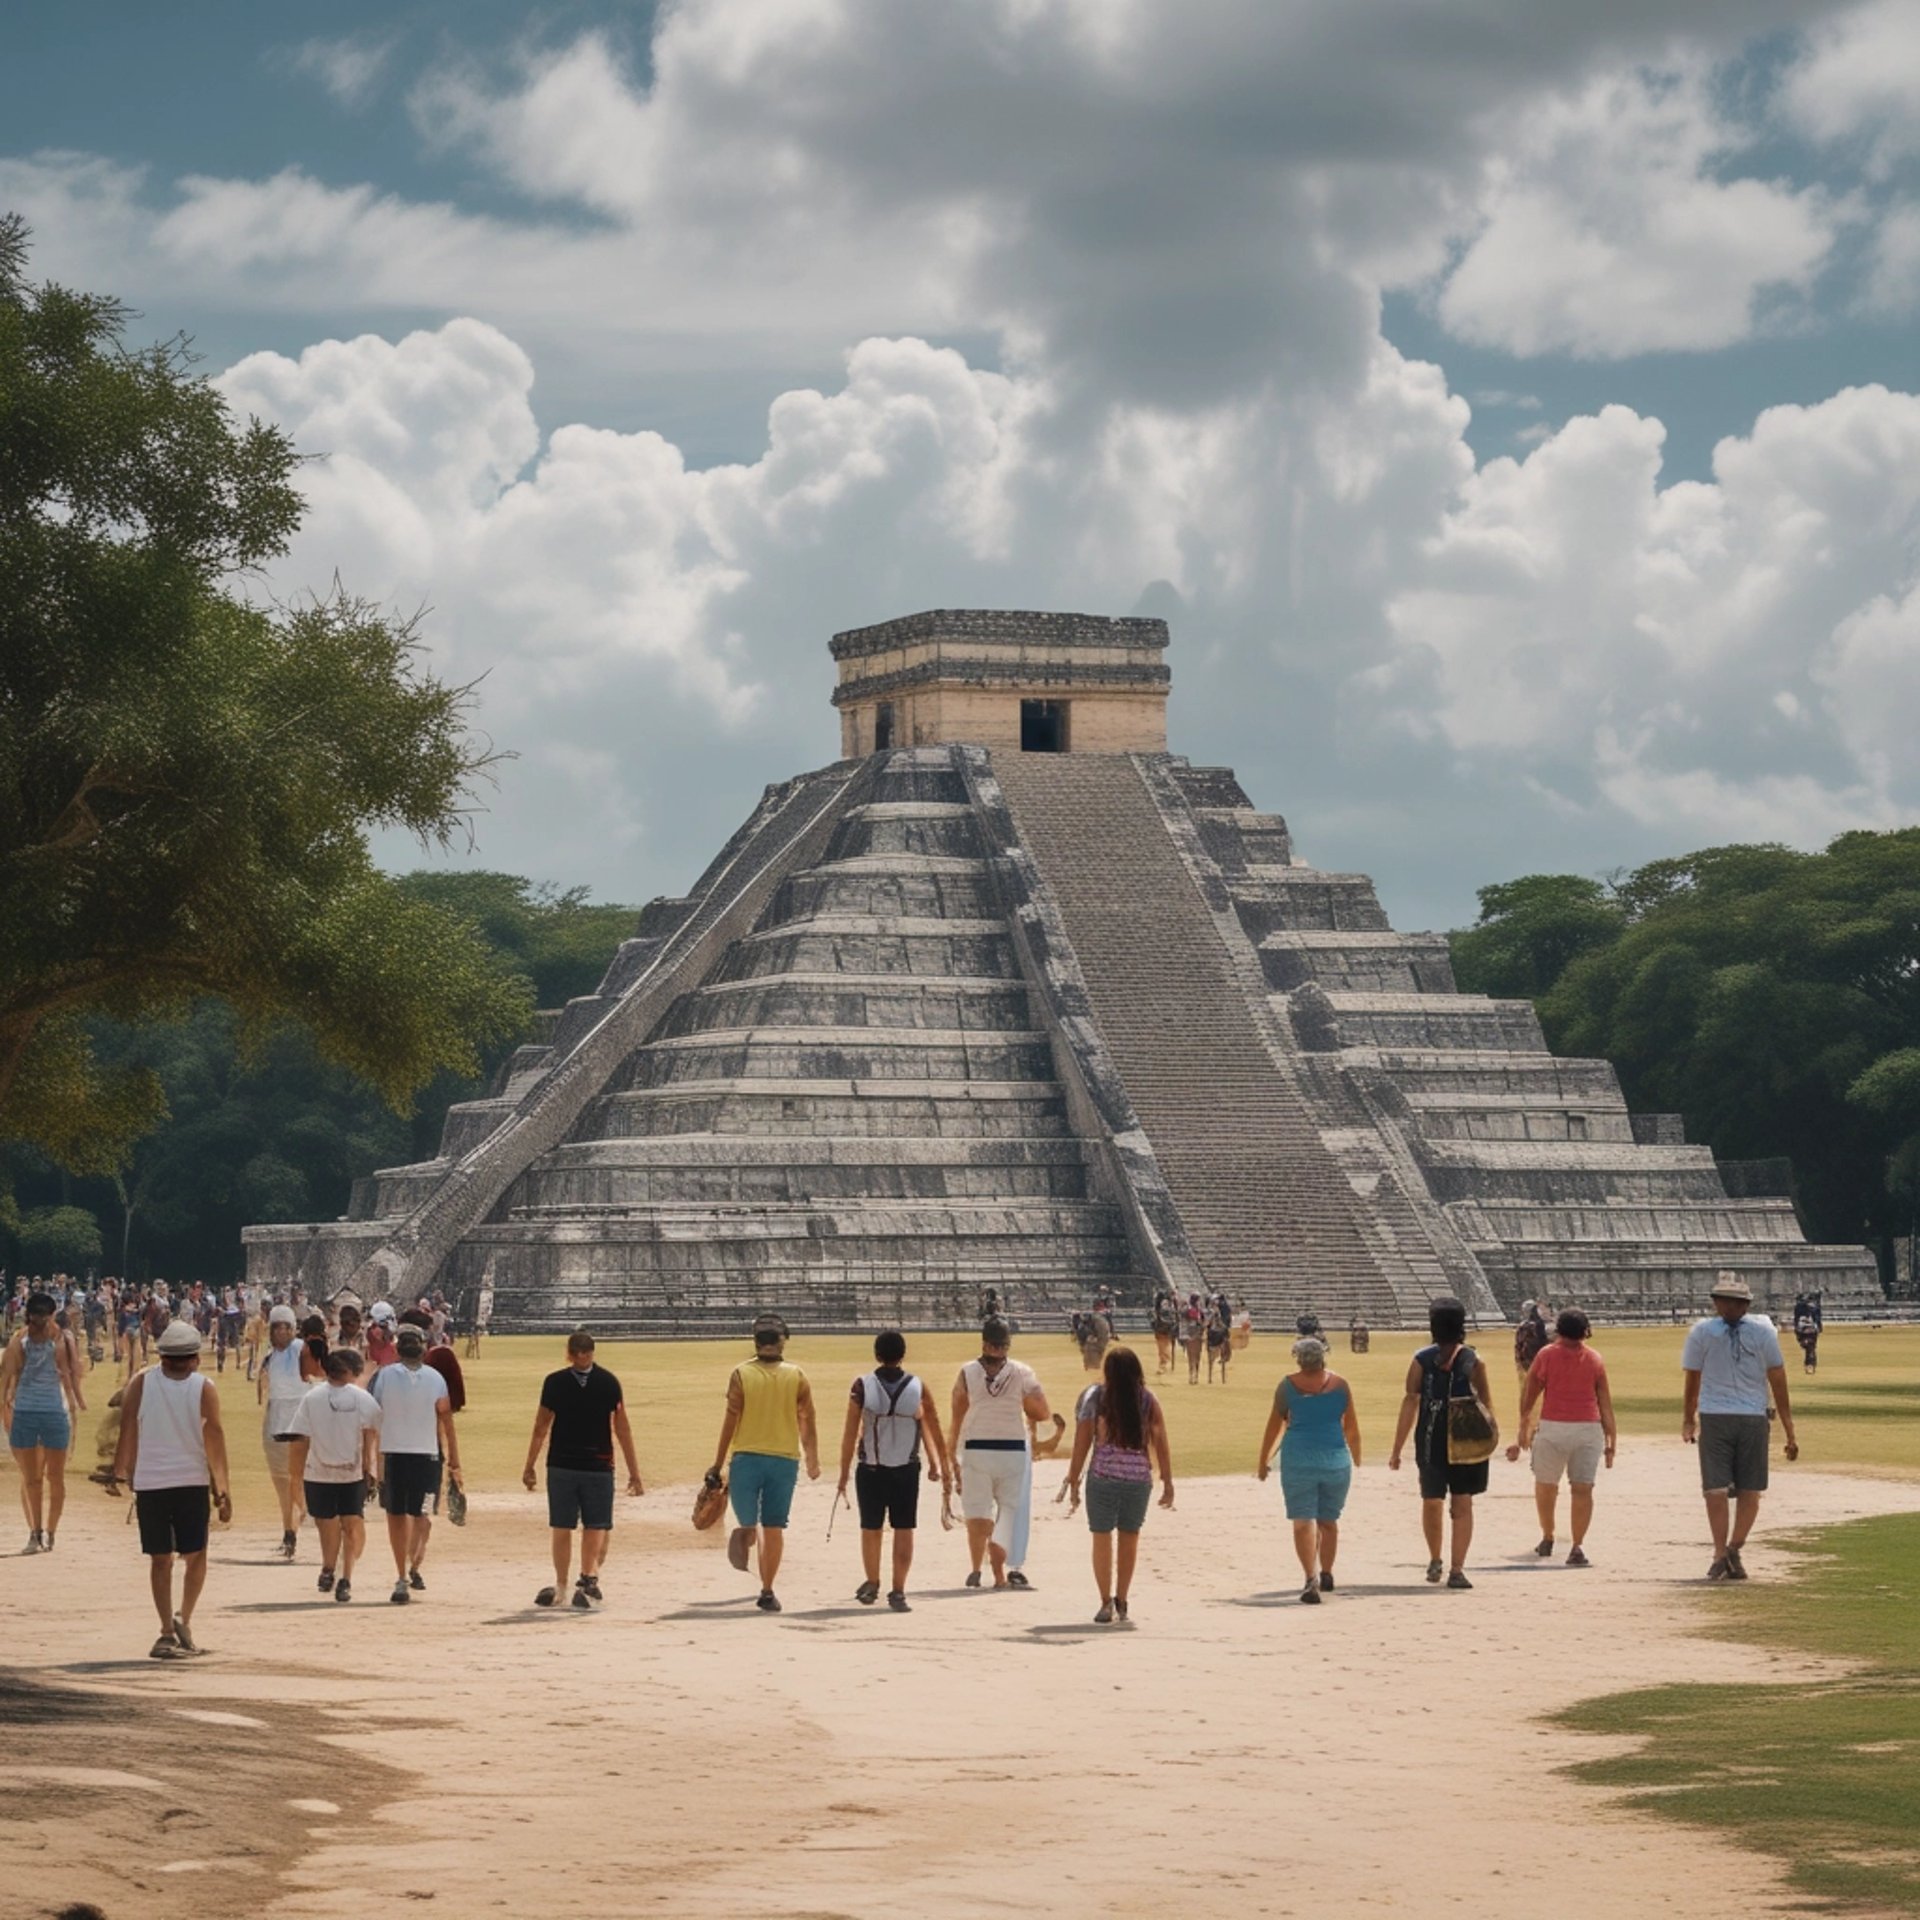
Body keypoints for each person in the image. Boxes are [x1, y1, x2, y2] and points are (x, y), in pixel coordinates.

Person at [107, 1320, 232, 1659]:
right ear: (194, 1357)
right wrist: (223, 1488)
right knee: (196, 1555)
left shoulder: (142, 1382)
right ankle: (183, 1618)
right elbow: (215, 1438)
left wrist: (123, 1472)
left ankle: (166, 1631)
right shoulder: (204, 1387)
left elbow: (128, 1428)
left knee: (160, 1559)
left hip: (152, 1481)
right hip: (190, 1480)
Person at [1682, 1275, 1799, 1581]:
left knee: (1751, 1488)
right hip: (1715, 1414)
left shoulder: (1763, 1333)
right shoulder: (1703, 1332)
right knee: (1715, 1489)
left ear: (1746, 1305)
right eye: (1725, 1300)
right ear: (1716, 1303)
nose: (1731, 1306)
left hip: (1752, 1415)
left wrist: (1789, 1427)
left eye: (1737, 1302)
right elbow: (1692, 1377)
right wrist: (1688, 1417)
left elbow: (1778, 1378)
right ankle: (1720, 1552)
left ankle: (1734, 1546)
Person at [523, 1331, 645, 1610]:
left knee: (563, 1526)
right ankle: (587, 1578)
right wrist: (634, 1472)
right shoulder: (608, 1382)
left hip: (564, 1463)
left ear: (569, 1352)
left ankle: (563, 1584)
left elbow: (541, 1426)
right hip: (597, 1463)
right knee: (595, 1525)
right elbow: (622, 1428)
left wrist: (530, 1464)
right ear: (591, 1352)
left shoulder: (554, 1382)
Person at [706, 1313, 819, 1613]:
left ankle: (748, 1542)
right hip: (784, 1460)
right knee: (773, 1527)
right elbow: (807, 1420)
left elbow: (730, 1420)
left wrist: (717, 1465)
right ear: (783, 1342)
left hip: (746, 1459)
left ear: (755, 1342)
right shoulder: (797, 1375)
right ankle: (767, 1588)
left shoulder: (741, 1374)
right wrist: (812, 1458)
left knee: (751, 1521)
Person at [835, 1329, 948, 1612]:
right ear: (903, 1355)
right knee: (904, 1528)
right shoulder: (917, 1386)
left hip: (871, 1468)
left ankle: (872, 1582)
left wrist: (842, 1472)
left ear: (877, 1355)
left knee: (871, 1527)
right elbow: (930, 1425)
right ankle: (898, 1591)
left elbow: (850, 1432)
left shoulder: (862, 1385)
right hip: (907, 1469)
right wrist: (939, 1464)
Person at [1389, 1295, 1495, 1590]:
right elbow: (1486, 1404)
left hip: (1430, 1435)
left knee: (1432, 1500)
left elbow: (1411, 1401)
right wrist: (1491, 1441)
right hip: (1467, 1438)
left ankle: (1436, 1558)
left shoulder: (1421, 1359)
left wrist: (1397, 1449)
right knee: (1463, 1503)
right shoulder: (1474, 1360)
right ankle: (1457, 1568)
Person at [1064, 1344, 1173, 1622]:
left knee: (1101, 1538)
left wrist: (1073, 1478)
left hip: (1103, 1477)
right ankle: (1122, 1598)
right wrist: (1168, 1482)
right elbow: (1161, 1442)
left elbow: (1082, 1442)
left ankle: (1104, 1602)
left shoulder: (1097, 1398)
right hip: (1138, 1480)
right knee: (1129, 1538)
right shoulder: (1148, 1399)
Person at [948, 1315, 1051, 1591]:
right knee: (1007, 1512)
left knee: (977, 1511)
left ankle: (974, 1568)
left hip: (976, 1446)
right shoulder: (1022, 1372)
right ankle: (999, 1573)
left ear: (984, 1343)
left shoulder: (967, 1372)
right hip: (1012, 1449)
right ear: (1007, 1344)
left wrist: (952, 1454)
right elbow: (1042, 1411)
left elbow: (957, 1415)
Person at [1507, 1308, 1616, 1566]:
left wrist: (1523, 1425)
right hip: (1588, 1429)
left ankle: (1548, 1536)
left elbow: (1530, 1394)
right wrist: (1612, 1441)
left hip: (1554, 1427)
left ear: (1559, 1330)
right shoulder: (1594, 1359)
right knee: (1582, 1488)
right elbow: (1605, 1404)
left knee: (1546, 1486)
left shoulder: (1546, 1355)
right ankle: (1577, 1546)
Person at [1257, 1335, 1361, 1603]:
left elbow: (1273, 1426)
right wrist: (1356, 1457)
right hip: (1336, 1460)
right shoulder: (1340, 1385)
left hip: (1299, 1460)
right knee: (1329, 1521)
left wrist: (1263, 1459)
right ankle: (1327, 1572)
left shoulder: (1287, 1386)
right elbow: (1351, 1427)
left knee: (1303, 1522)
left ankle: (1310, 1578)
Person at [369, 1323, 461, 1604]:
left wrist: (371, 1461)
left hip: (396, 1456)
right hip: (426, 1457)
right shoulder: (435, 1379)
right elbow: (446, 1420)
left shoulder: (383, 1376)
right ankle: (411, 1567)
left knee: (398, 1518)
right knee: (420, 1516)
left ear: (397, 1348)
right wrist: (455, 1461)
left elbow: (373, 1416)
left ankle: (403, 1574)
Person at [286, 1350, 381, 1603]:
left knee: (326, 1525)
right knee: (350, 1526)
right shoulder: (362, 1399)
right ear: (353, 1372)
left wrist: (295, 1475)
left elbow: (299, 1438)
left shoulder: (311, 1397)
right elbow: (373, 1431)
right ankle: (343, 1576)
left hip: (319, 1473)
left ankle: (331, 1570)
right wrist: (371, 1469)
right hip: (350, 1473)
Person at [4, 1290, 86, 1552]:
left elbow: (72, 1374)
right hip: (26, 1411)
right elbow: (8, 1373)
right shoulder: (20, 1339)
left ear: (51, 1316)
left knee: (55, 1477)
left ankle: (50, 1530)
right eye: (34, 1316)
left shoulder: (62, 1339)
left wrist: (75, 1404)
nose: (38, 1322)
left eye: (43, 1317)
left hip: (52, 1411)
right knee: (32, 1478)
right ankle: (35, 1531)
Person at [258, 1304, 320, 1560]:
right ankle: (289, 1534)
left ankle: (310, 1519)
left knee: (300, 1482)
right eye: (277, 1327)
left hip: (300, 1423)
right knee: (282, 1483)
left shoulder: (303, 1350)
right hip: (275, 1424)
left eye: (286, 1326)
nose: (282, 1331)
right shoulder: (269, 1355)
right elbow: (264, 1390)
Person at [1513, 1300, 1552, 1389]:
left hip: (1526, 1359)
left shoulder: (1524, 1325)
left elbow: (1518, 1344)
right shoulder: (1540, 1324)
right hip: (1537, 1358)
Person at [1206, 1293, 1232, 1383]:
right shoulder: (1211, 1311)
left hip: (1219, 1332)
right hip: (1213, 1333)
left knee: (1226, 1339)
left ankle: (1226, 1356)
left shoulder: (1222, 1309)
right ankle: (1210, 1377)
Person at [1180, 1293, 1205, 1385]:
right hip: (1190, 1334)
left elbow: (1203, 1321)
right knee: (1191, 1357)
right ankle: (1192, 1375)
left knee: (1197, 1356)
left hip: (1197, 1334)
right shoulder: (1188, 1309)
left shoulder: (1199, 1311)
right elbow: (1183, 1318)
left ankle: (1195, 1375)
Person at [1150, 1290, 1177, 1374]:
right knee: (1164, 1346)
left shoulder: (1162, 1305)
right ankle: (1164, 1364)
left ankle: (1164, 1364)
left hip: (1162, 1328)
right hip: (1165, 1328)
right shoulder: (1168, 1304)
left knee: (1163, 1347)